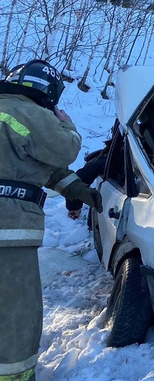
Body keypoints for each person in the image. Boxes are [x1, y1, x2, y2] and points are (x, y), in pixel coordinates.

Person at [0, 60, 102, 381]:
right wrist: (68, 125)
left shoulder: (7, 114)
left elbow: (41, 168)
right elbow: (63, 150)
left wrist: (82, 192)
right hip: (8, 227)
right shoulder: (26, 112)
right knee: (17, 310)